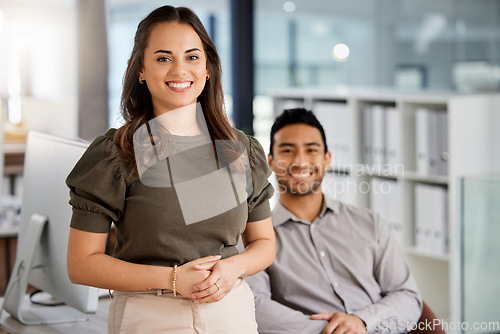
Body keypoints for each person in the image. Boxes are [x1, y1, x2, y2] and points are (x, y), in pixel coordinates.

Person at [66, 6, 275, 334]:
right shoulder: (116, 153)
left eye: (192, 57)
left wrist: (233, 268)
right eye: (164, 58)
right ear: (142, 71)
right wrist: (173, 280)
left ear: (207, 69)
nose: (180, 70)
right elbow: (81, 264)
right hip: (150, 314)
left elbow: (264, 243)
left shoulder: (242, 151)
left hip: (230, 314)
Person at [245, 108, 422, 334]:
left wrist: (362, 322)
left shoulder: (370, 223)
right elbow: (257, 308)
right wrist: (333, 331)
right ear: (271, 161)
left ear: (327, 159)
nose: (300, 162)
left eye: (311, 150)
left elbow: (408, 296)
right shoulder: (257, 237)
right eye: (287, 151)